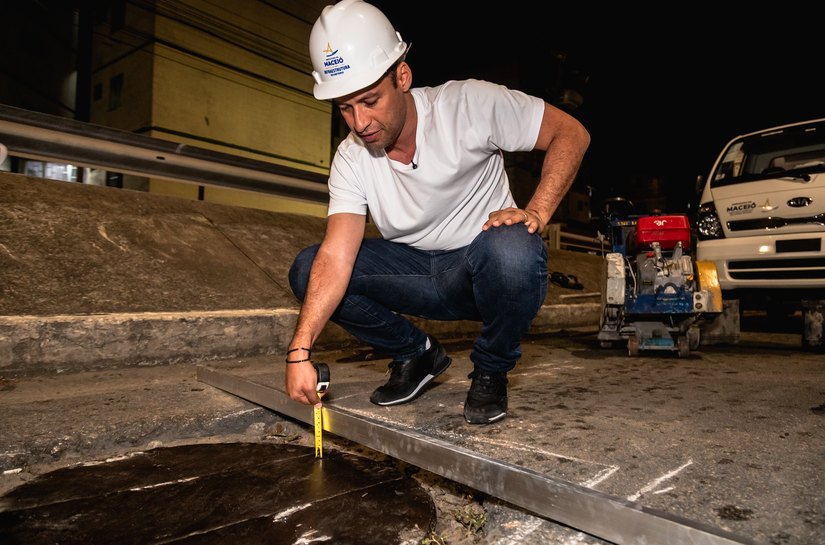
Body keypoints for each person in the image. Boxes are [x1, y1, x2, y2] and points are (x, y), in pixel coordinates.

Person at [284, 0, 590, 424]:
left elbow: (570, 133)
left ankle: (491, 368)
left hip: (479, 268)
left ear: (402, 77)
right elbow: (337, 256)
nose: (360, 122)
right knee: (308, 269)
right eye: (345, 107)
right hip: (412, 274)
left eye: (370, 100)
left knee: (514, 246)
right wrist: (300, 349)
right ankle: (417, 355)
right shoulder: (351, 158)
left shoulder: (467, 104)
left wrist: (537, 212)